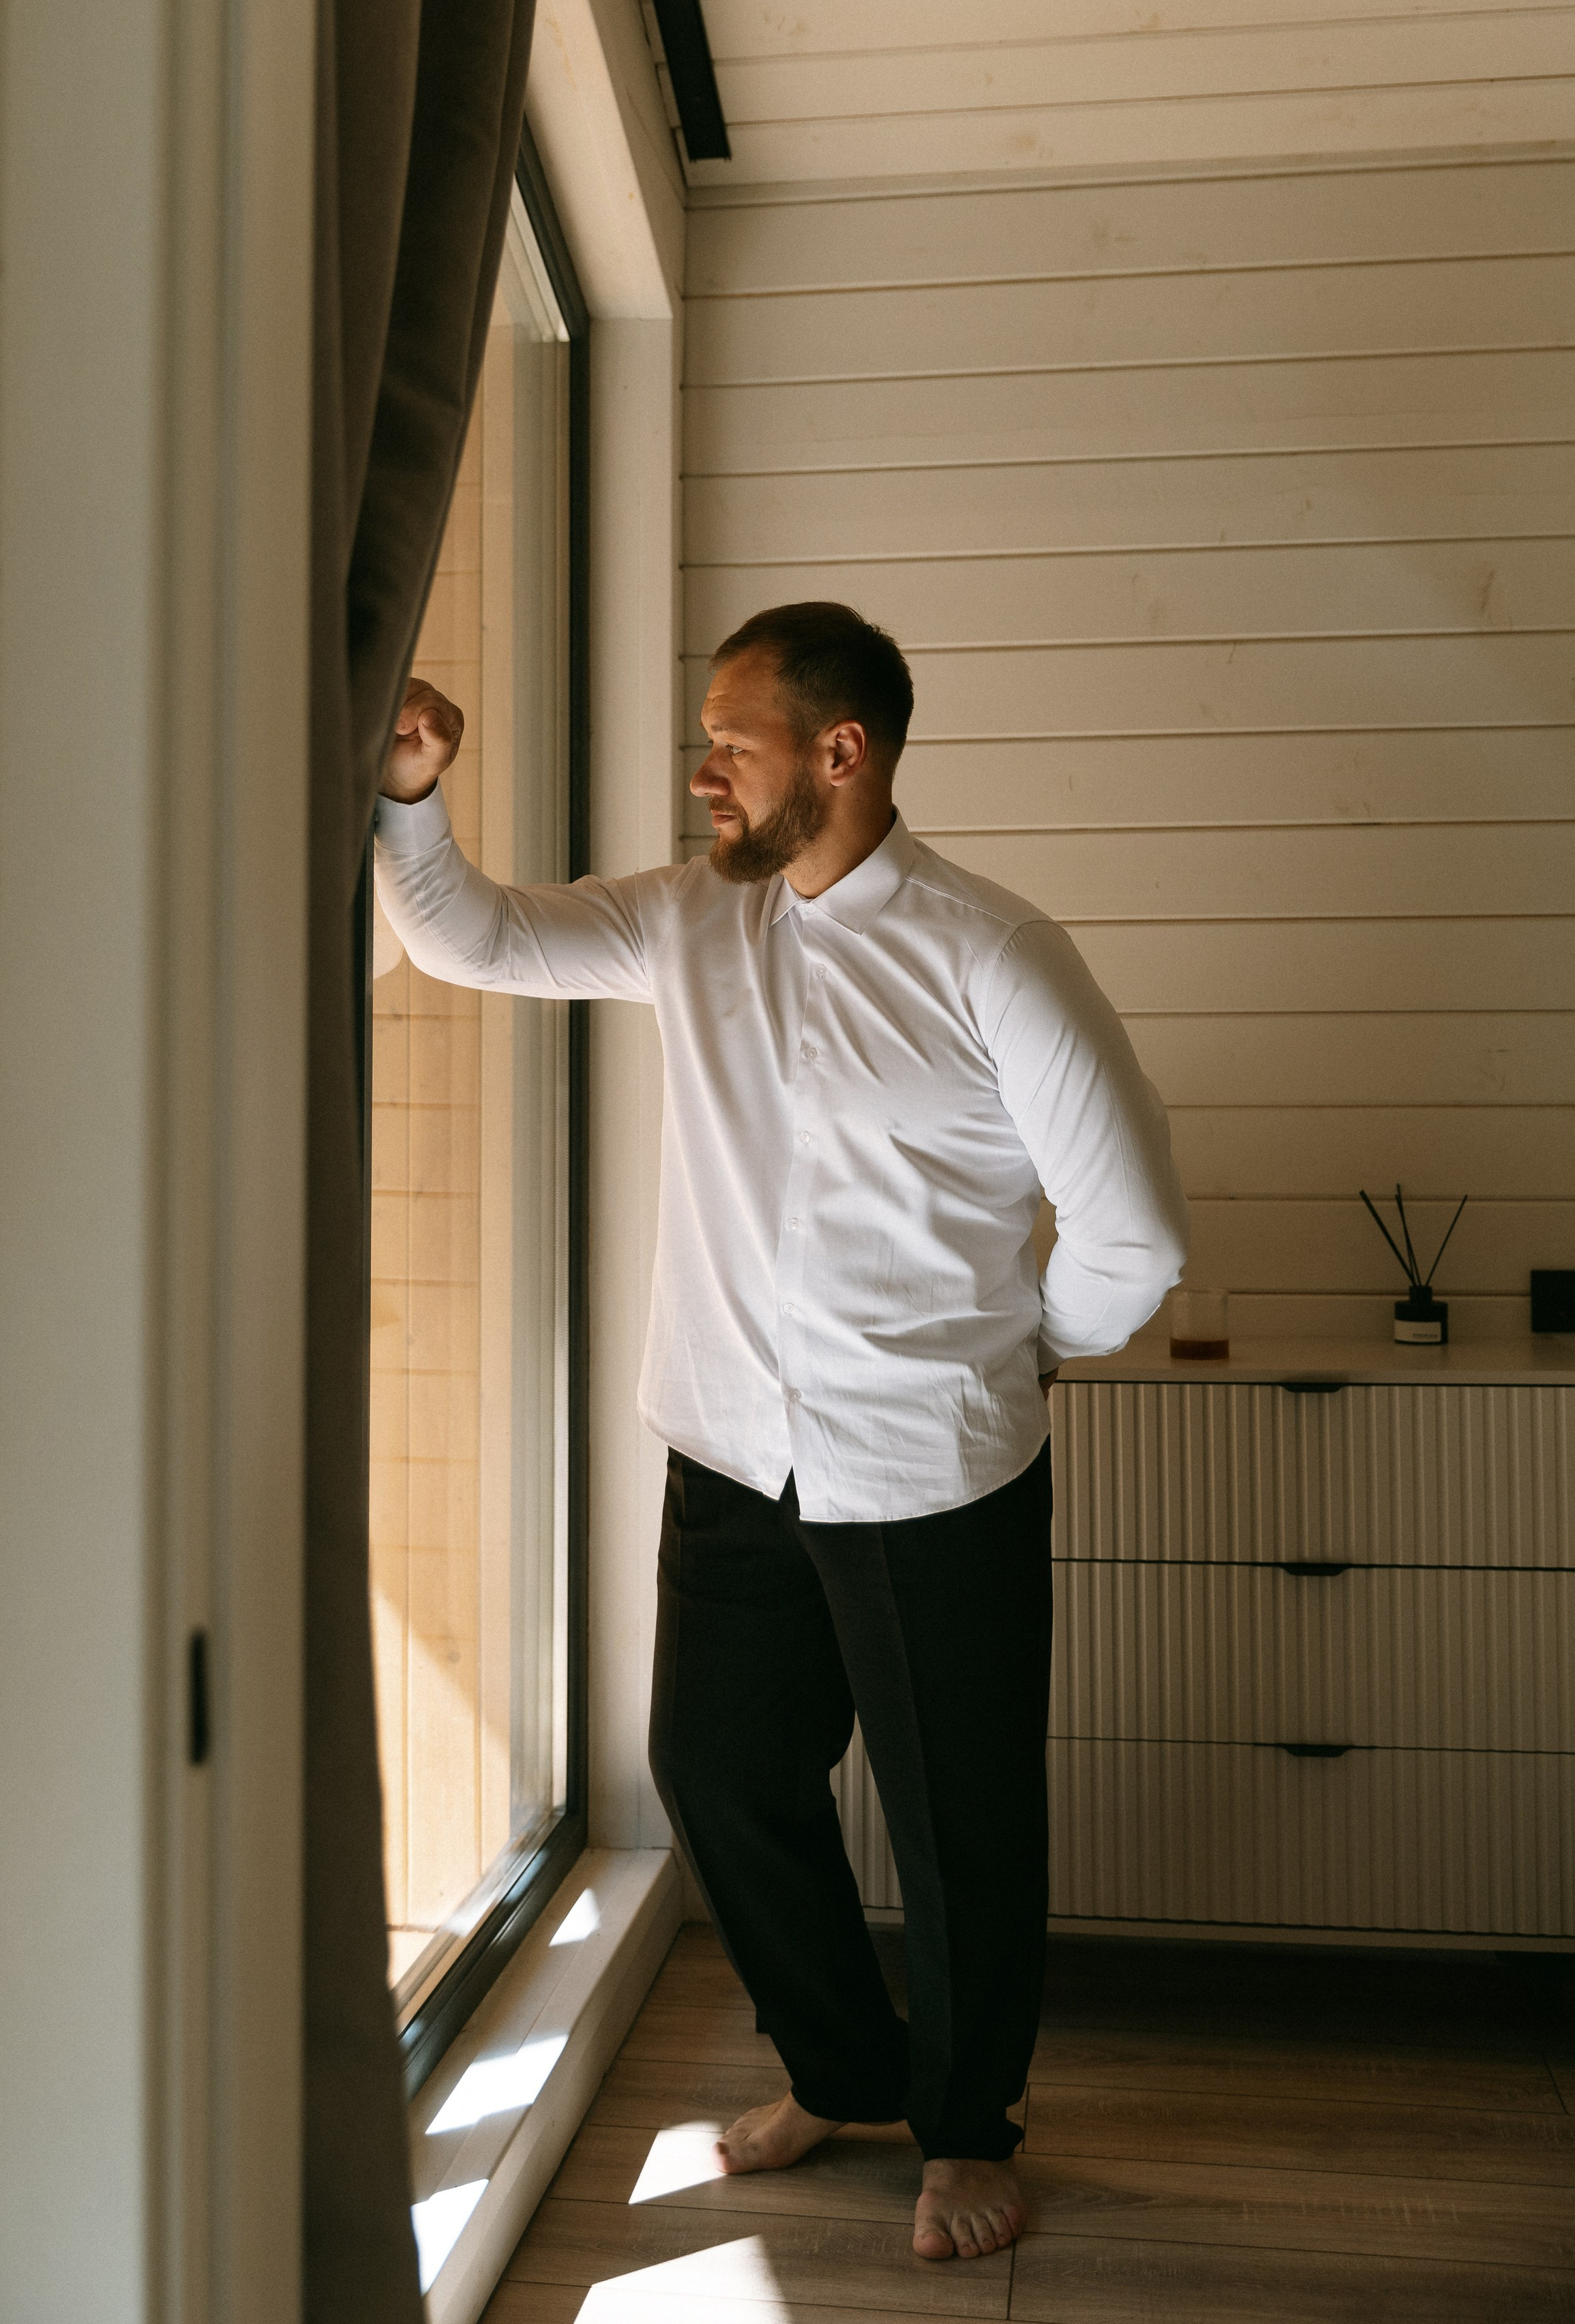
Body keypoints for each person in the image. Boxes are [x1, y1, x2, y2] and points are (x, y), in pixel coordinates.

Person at [375, 599, 1188, 2261]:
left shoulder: (995, 953)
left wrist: (1011, 1362)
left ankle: (965, 2130)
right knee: (717, 1772)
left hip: (935, 1471)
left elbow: (1133, 1237)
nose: (700, 773)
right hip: (729, 1455)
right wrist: (408, 799)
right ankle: (843, 2069)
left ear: (842, 751)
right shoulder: (690, 923)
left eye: (727, 742)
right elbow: (480, 940)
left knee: (956, 1817)